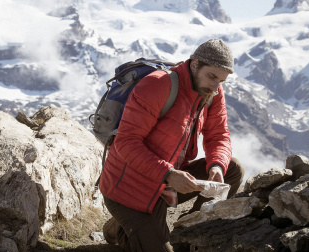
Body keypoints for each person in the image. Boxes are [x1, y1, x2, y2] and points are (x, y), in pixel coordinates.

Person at [99, 38, 245, 252]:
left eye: (221, 81)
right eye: (212, 76)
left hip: (166, 183)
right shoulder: (158, 85)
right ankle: (124, 227)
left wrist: (216, 166)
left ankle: (190, 229)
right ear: (195, 64)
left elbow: (219, 134)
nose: (215, 87)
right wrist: (168, 174)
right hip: (129, 188)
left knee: (232, 169)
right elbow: (126, 142)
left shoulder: (212, 92)